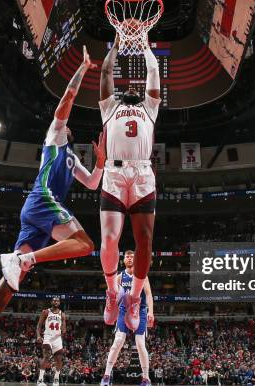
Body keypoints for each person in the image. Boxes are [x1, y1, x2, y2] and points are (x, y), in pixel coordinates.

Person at [0, 46, 106, 370]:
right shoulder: (55, 137)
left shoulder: (70, 159)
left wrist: (100, 164)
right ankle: (25, 257)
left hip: (38, 214)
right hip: (43, 201)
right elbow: (65, 102)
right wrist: (83, 70)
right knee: (85, 244)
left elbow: (93, 184)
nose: (68, 124)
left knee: (16, 276)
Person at [99, 33, 161, 332]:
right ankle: (113, 293)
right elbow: (106, 72)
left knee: (145, 241)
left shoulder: (151, 107)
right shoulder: (109, 106)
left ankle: (134, 298)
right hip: (113, 173)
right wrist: (116, 41)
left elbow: (152, 71)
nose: (133, 88)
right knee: (110, 239)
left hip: (142, 174)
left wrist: (144, 43)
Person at [100, 250, 154, 386]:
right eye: (127, 257)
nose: (130, 258)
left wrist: (151, 312)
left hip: (140, 310)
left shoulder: (143, 277)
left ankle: (146, 379)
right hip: (124, 310)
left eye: (132, 257)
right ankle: (106, 375)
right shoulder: (119, 277)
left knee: (140, 344)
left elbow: (148, 295)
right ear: (123, 260)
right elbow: (114, 294)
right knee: (118, 341)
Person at [36, 297, 66, 386]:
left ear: (59, 303)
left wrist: (63, 330)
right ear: (51, 302)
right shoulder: (45, 312)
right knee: (47, 356)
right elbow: (38, 326)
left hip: (57, 338)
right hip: (48, 337)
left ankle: (56, 379)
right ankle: (40, 380)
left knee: (59, 360)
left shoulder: (62, 314)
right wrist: (38, 336)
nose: (55, 302)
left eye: (57, 301)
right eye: (54, 300)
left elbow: (64, 329)